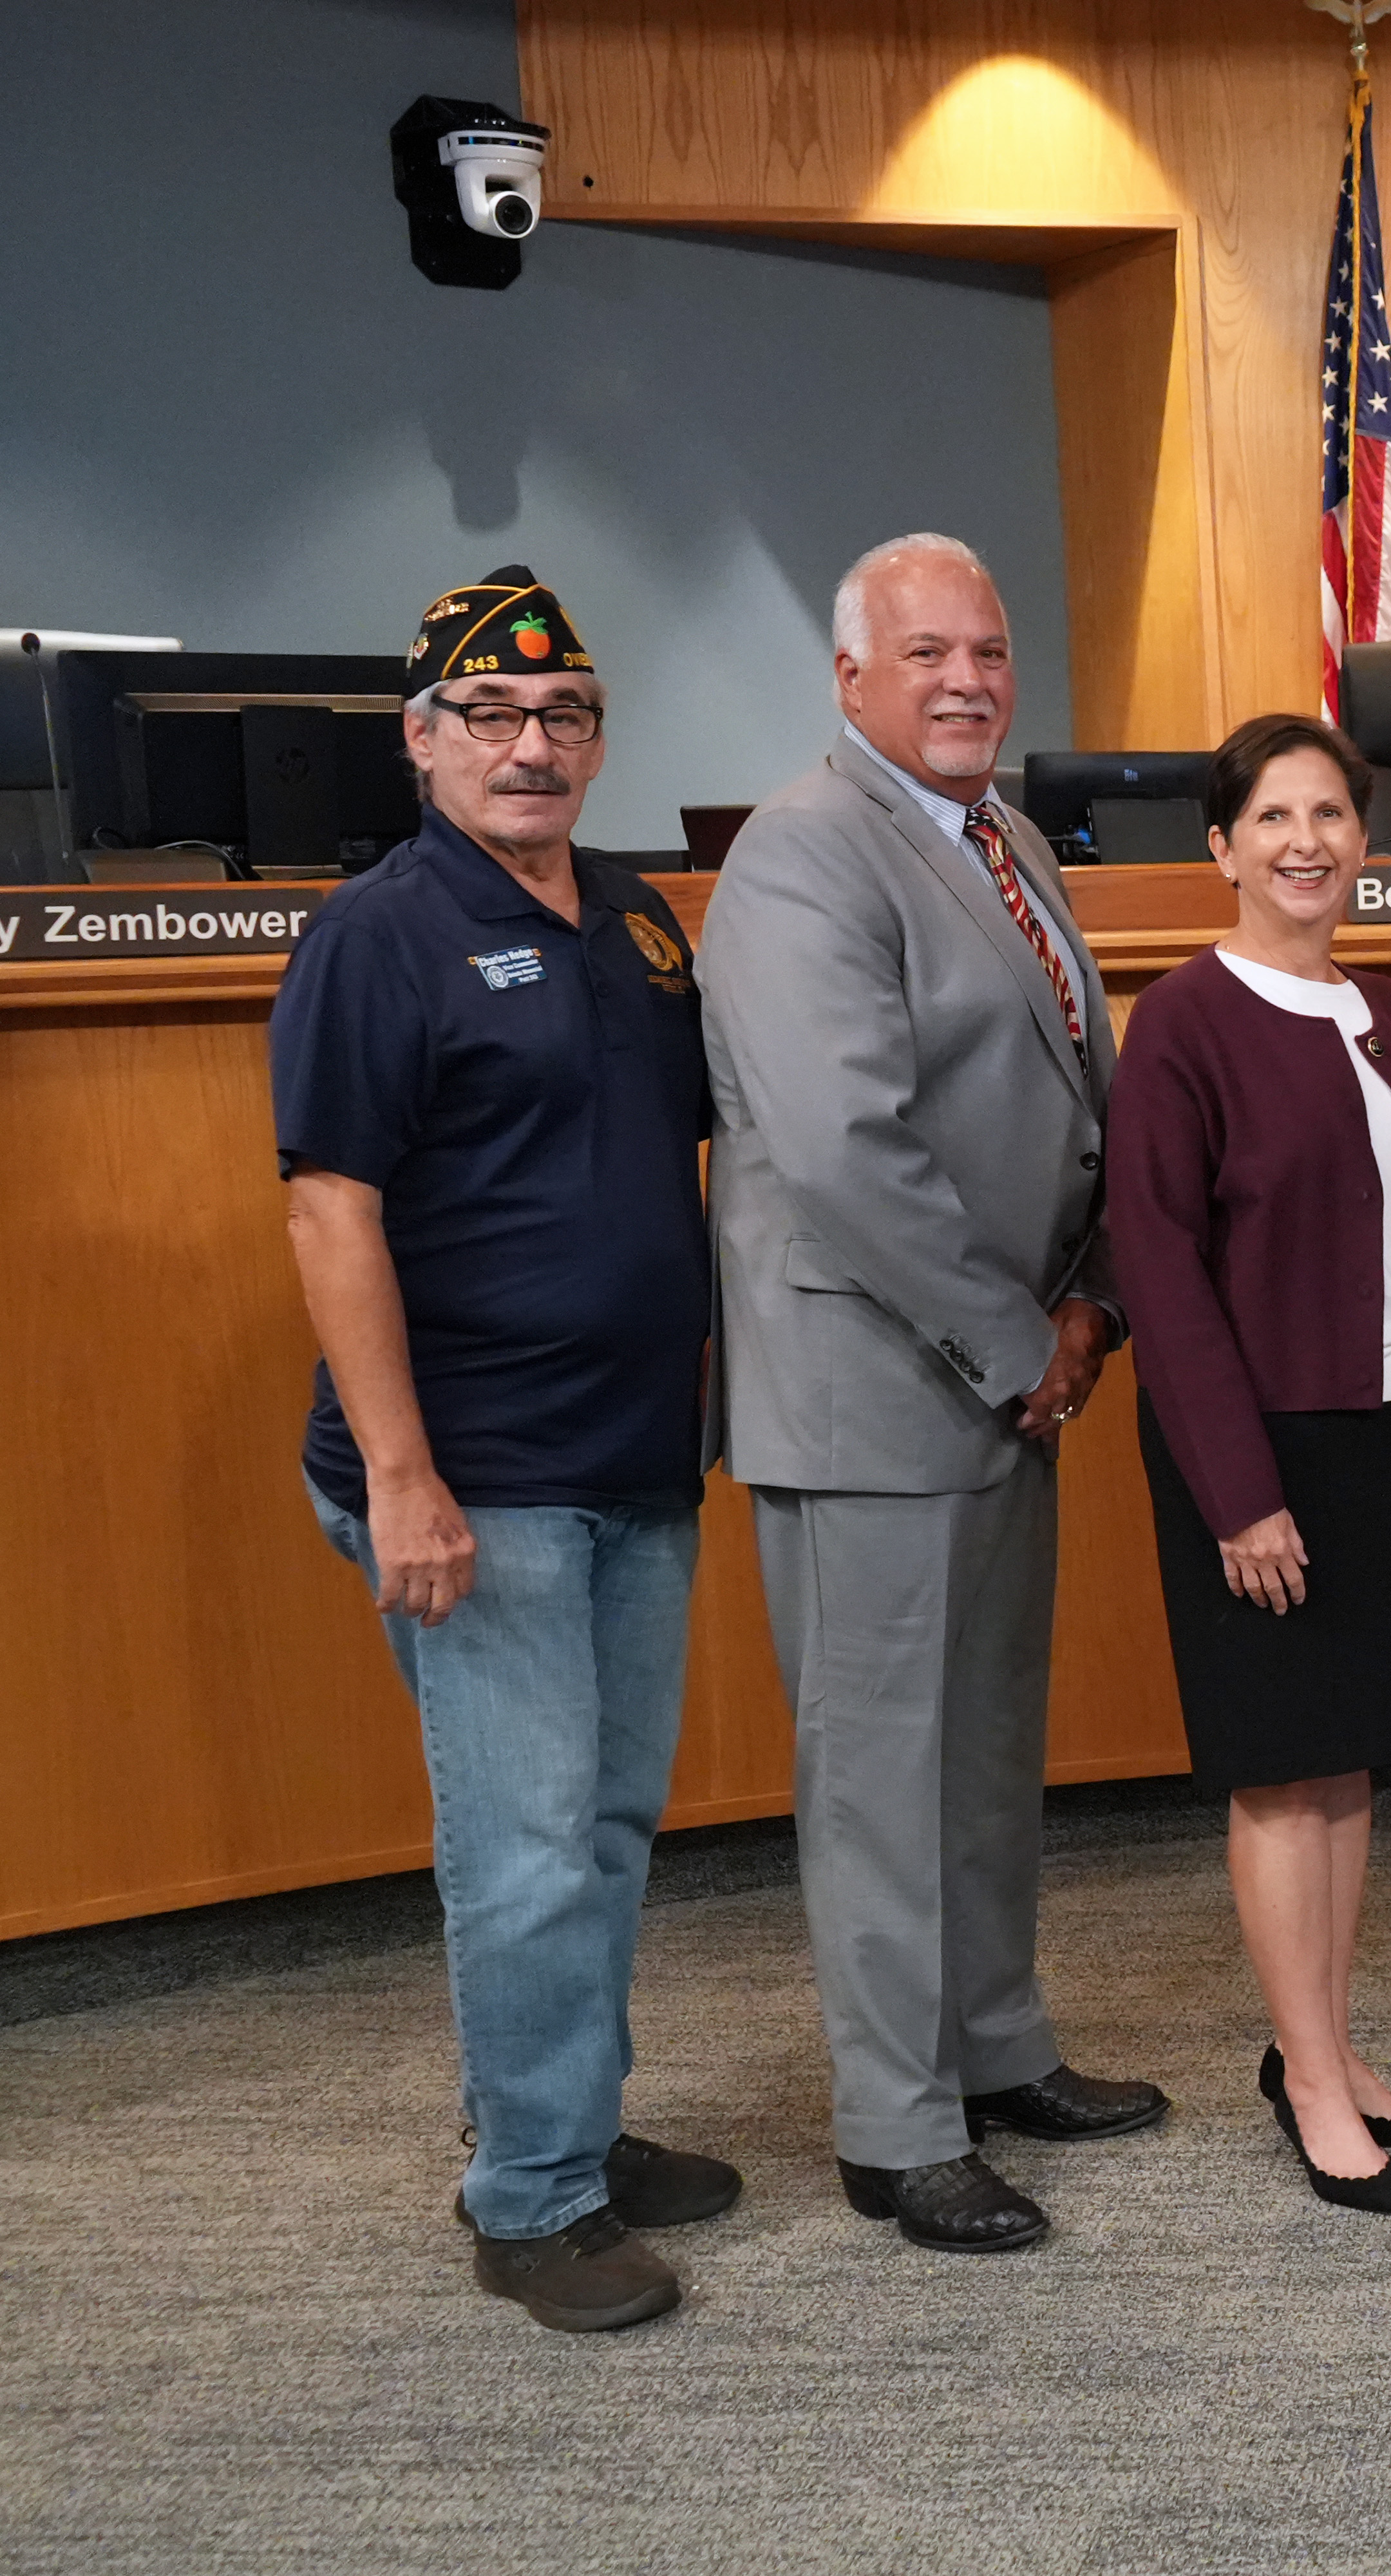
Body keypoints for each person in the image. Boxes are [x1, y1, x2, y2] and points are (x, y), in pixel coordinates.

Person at [272, 567, 735, 2333]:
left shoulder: (634, 919)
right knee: (526, 1846)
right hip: (474, 1477)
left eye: (565, 718)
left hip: (631, 1459)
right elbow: (332, 1214)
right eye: (492, 717)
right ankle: (530, 2198)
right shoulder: (377, 934)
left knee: (606, 1828)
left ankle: (575, 2127)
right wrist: (399, 1475)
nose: (532, 747)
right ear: (420, 741)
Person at [699, 532, 1167, 2257]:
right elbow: (841, 1150)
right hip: (880, 1384)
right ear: (849, 680)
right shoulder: (806, 857)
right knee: (881, 1776)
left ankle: (994, 2047)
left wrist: (1092, 1305)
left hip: (1000, 1382)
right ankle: (897, 2129)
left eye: (987, 647)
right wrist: (1017, 1338)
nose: (967, 678)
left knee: (979, 1752)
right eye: (925, 655)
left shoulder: (1008, 834)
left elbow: (1076, 1096)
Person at [1102, 712, 1391, 2217]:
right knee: (1283, 1774)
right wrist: (1239, 1491)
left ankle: (1326, 2048)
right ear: (1220, 846)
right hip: (1263, 1453)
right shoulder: (1184, 1029)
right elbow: (1161, 1272)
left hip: (1390, 1435)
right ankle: (1311, 2077)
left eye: (1330, 814)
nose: (1305, 844)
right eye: (1273, 816)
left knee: (1350, 1764)